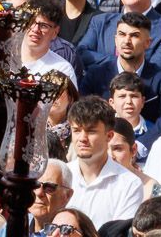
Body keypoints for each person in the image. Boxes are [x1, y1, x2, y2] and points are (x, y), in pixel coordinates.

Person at [66, 96, 146, 227]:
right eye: (76, 131)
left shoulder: (129, 184)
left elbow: (118, 233)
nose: (82, 138)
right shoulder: (61, 176)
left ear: (109, 136)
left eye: (91, 131)